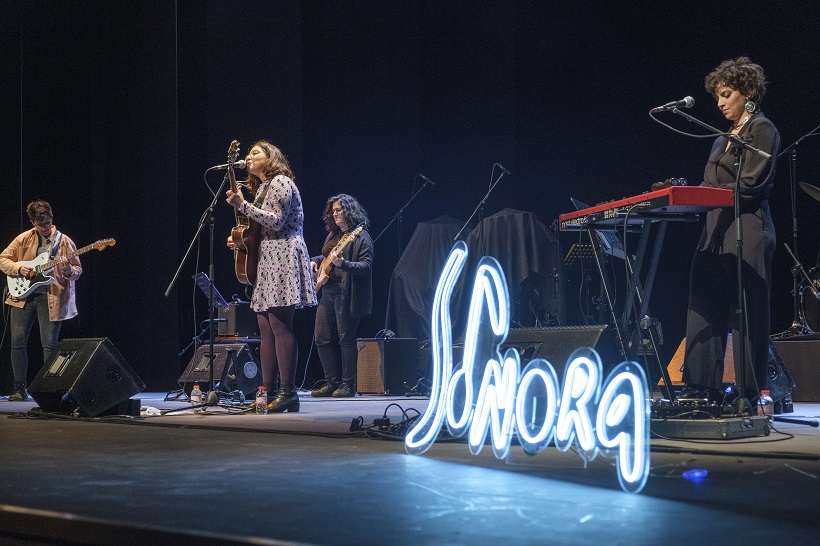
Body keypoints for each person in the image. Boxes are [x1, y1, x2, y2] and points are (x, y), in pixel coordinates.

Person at [680, 57, 780, 407]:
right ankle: (700, 387)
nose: (720, 103)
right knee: (703, 302)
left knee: (746, 309)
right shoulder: (722, 136)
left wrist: (713, 189)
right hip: (714, 228)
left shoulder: (762, 129)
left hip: (747, 226)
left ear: (748, 93)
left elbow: (752, 182)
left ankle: (749, 392)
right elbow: (710, 181)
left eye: (726, 94)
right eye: (717, 97)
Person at [226, 141, 317, 412]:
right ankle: (267, 390)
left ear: (271, 157)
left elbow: (276, 221)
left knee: (280, 325)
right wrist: (241, 240)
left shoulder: (280, 182)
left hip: (283, 256)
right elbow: (261, 226)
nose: (249, 157)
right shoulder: (263, 188)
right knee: (265, 328)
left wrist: (243, 205)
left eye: (255, 152)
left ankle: (289, 393)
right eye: (249, 153)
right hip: (268, 257)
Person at [0, 200, 82, 401]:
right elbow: (3, 259)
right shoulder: (23, 239)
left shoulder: (64, 242)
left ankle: (50, 390)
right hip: (22, 298)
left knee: (50, 345)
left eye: (48, 222)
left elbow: (77, 270)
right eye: (40, 224)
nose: (45, 227)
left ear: (52, 217)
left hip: (51, 297)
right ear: (32, 222)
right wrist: (20, 269)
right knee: (17, 343)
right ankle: (20, 388)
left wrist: (69, 271)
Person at [310, 194, 373, 398]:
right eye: (333, 211)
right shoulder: (334, 234)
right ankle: (332, 382)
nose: (335, 214)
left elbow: (366, 266)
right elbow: (326, 256)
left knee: (346, 339)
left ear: (349, 211)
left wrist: (342, 264)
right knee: (321, 338)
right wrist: (314, 261)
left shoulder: (361, 236)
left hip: (347, 294)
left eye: (339, 210)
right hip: (327, 291)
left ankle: (348, 385)